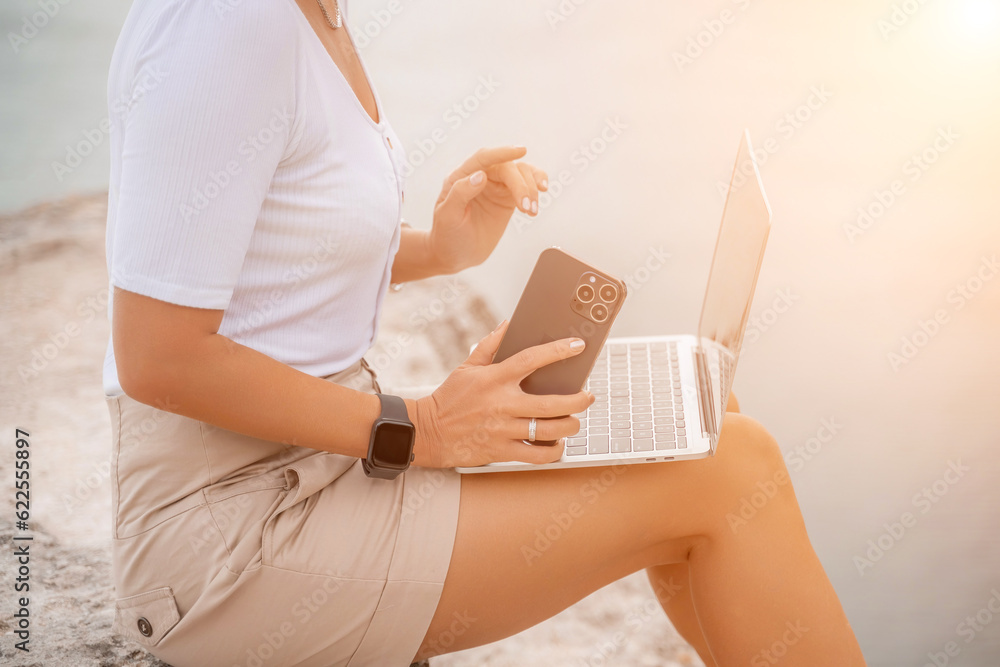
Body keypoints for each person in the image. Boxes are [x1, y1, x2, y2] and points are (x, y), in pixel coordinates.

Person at [102, 0, 867, 665]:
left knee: (703, 425)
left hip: (320, 461)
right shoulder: (223, 25)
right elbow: (158, 353)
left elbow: (264, 251)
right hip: (230, 538)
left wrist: (440, 251)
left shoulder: (315, 13)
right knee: (734, 470)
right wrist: (424, 427)